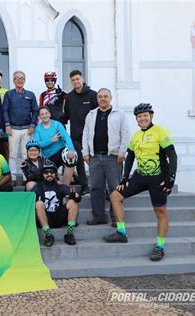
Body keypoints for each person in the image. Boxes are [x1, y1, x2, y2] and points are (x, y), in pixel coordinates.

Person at [104, 103, 178, 262]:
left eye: (145, 115)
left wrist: (170, 179)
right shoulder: (137, 135)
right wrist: (125, 177)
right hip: (140, 176)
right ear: (136, 119)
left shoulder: (160, 132)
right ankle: (121, 232)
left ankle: (160, 247)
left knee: (160, 211)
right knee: (115, 196)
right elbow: (129, 157)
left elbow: (172, 156)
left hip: (158, 178)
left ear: (151, 116)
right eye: (139, 116)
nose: (142, 118)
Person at [82, 88, 130, 226]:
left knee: (115, 188)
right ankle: (99, 217)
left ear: (111, 98)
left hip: (113, 158)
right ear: (97, 99)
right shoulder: (91, 114)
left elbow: (125, 134)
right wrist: (85, 153)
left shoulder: (119, 114)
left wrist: (122, 153)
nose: (103, 99)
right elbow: (85, 134)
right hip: (94, 157)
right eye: (100, 96)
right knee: (96, 188)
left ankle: (116, 218)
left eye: (105, 96)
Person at [63, 70, 98, 194]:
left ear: (82, 79)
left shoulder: (93, 95)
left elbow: (99, 114)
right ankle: (84, 186)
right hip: (76, 135)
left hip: (92, 135)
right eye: (73, 80)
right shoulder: (69, 97)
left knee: (95, 161)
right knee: (79, 162)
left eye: (77, 79)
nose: (75, 82)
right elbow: (65, 115)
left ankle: (97, 187)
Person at [2, 70, 39, 184]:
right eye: (17, 78)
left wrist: (33, 125)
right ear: (13, 80)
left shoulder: (30, 94)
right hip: (13, 129)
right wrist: (7, 125)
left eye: (21, 78)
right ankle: (12, 178)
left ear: (24, 80)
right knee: (12, 154)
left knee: (25, 154)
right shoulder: (9, 94)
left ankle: (25, 177)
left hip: (27, 129)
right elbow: (5, 110)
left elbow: (35, 110)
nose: (19, 80)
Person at [34, 160, 81, 247]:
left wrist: (76, 196)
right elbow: (29, 200)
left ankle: (69, 234)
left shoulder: (60, 186)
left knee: (72, 202)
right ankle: (48, 235)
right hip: (45, 218)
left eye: (51, 172)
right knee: (38, 204)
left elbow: (77, 199)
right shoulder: (38, 187)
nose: (49, 174)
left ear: (55, 173)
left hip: (59, 217)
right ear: (42, 174)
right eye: (46, 172)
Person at [34, 106, 76, 185]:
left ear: (49, 114)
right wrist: (51, 140)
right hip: (47, 157)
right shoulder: (38, 128)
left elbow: (66, 137)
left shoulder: (57, 124)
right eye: (42, 114)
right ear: (39, 117)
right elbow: (38, 144)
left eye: (46, 113)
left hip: (59, 151)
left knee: (73, 156)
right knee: (51, 179)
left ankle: (65, 186)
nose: (45, 115)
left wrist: (71, 149)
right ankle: (58, 183)